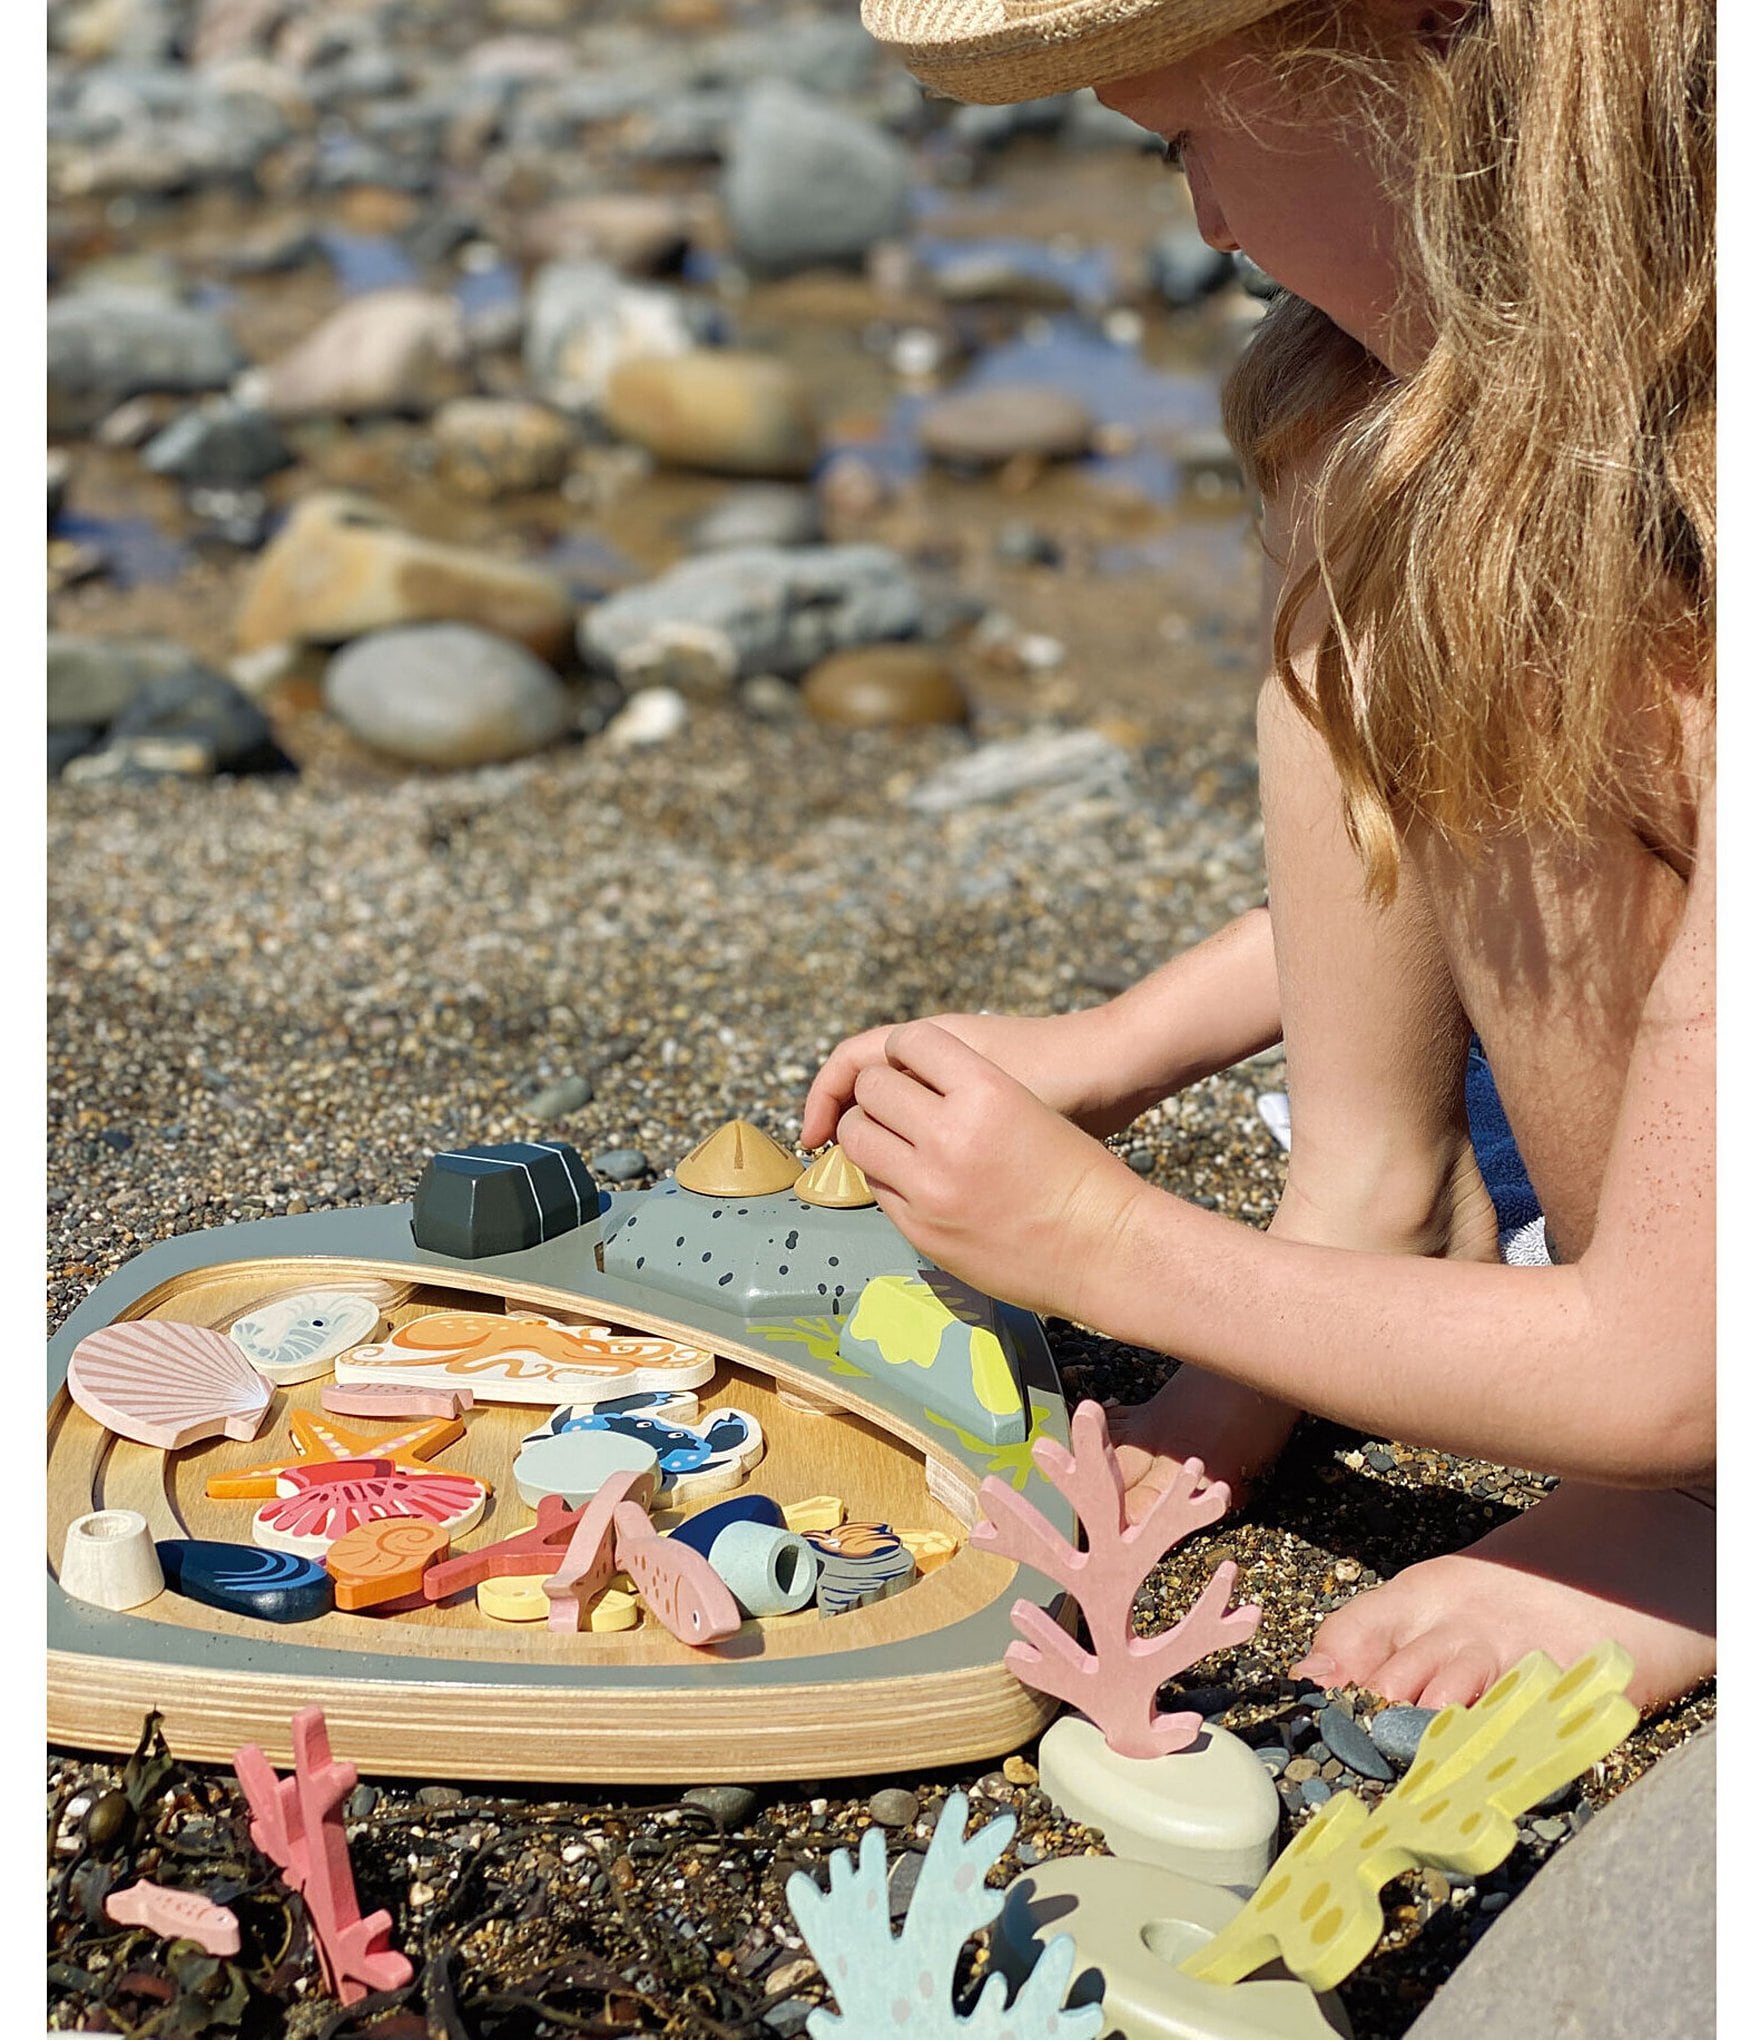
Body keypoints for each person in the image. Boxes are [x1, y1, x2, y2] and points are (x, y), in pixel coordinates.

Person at [803, 0, 1714, 1712]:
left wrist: (1104, 1243)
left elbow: (1681, 1357)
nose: (1205, 223)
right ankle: (1364, 1216)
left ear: (1424, 47)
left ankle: (1697, 1512)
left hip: (1691, 1360)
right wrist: (1124, 1043)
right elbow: (1571, 861)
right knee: (1393, 480)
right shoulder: (1609, 410)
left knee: (1572, 623)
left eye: (1182, 145)